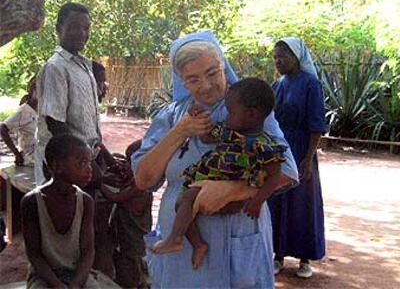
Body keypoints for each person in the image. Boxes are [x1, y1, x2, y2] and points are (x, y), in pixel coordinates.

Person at [131, 30, 298, 288]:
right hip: (181, 250)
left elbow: (287, 170)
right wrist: (181, 131)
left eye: (212, 73)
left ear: (224, 66)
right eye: (193, 79)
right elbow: (144, 179)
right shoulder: (172, 116)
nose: (206, 85)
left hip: (237, 240)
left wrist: (231, 190)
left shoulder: (248, 109)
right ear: (181, 81)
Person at [151, 78, 287, 271]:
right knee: (183, 203)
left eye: (231, 112)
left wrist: (257, 200)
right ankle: (196, 244)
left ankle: (176, 238)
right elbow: (207, 136)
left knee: (186, 202)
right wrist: (198, 116)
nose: (226, 115)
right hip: (210, 180)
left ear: (251, 114)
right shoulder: (229, 130)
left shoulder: (265, 146)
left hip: (234, 197)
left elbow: (275, 176)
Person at [267, 37, 326, 278]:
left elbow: (316, 125)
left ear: (297, 57)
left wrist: (308, 158)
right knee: (277, 200)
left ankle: (304, 259)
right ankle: (277, 255)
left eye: (283, 56)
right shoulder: (276, 85)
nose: (278, 61)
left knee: (303, 204)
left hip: (302, 149)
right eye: (275, 57)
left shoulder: (311, 84)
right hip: (279, 150)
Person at [35, 2, 102, 189]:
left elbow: (89, 128)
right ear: (58, 29)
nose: (82, 33)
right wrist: (88, 163)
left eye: (86, 28)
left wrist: (105, 158)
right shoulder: (56, 67)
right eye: (74, 27)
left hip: (83, 162)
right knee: (66, 215)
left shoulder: (83, 66)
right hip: (66, 166)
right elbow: (55, 122)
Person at [21, 134, 97, 288]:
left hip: (77, 273)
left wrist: (76, 284)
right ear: (57, 166)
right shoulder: (32, 202)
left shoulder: (86, 202)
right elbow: (34, 255)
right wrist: (57, 285)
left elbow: (88, 251)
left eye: (90, 162)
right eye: (82, 163)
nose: (90, 169)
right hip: (44, 275)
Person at [99, 140, 152, 288]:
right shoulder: (132, 178)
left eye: (130, 162)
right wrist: (103, 150)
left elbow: (114, 197)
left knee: (131, 271)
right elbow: (114, 166)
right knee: (123, 265)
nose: (125, 165)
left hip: (133, 242)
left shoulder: (140, 186)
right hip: (124, 238)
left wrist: (98, 182)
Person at [0, 76, 37, 166]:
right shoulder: (23, 111)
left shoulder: (43, 109)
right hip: (31, 158)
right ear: (33, 91)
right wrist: (16, 154)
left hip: (41, 154)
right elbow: (3, 128)